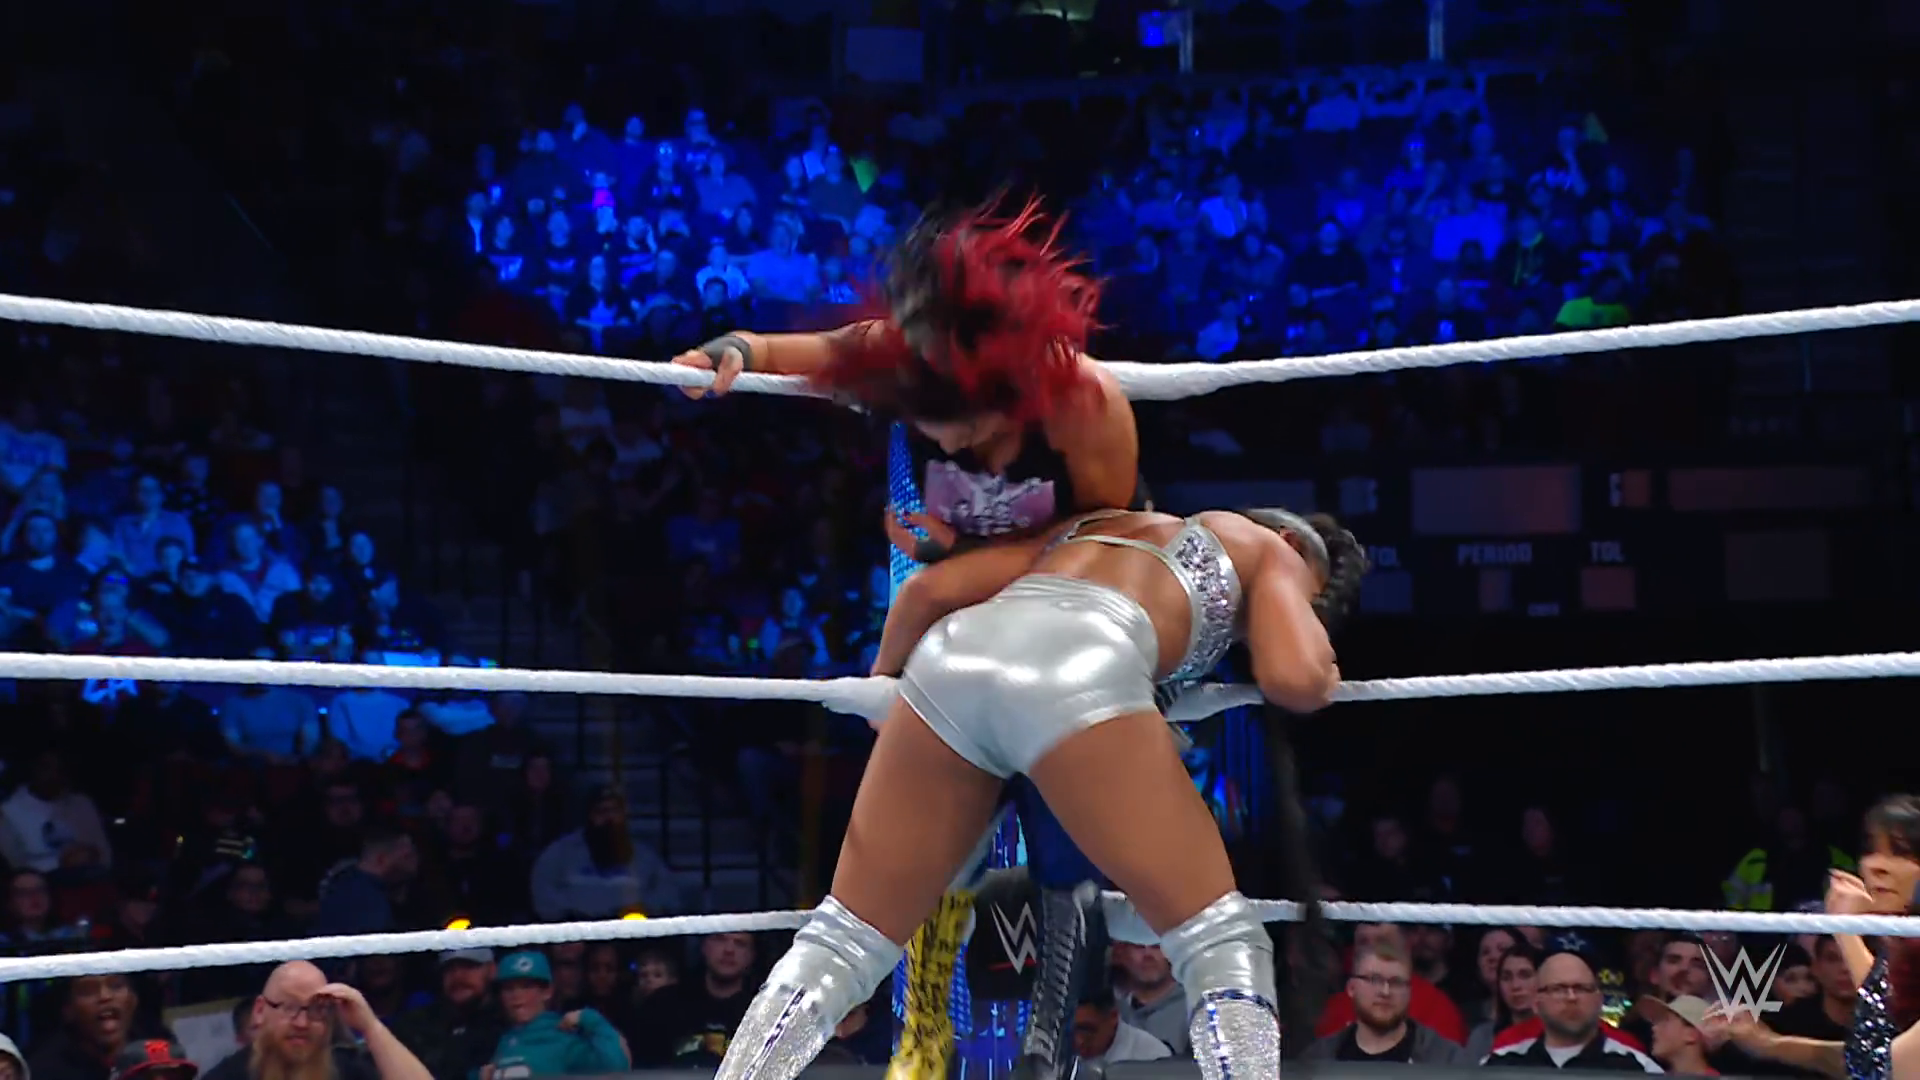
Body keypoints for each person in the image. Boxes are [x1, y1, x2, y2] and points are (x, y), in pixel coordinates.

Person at [674, 198, 1146, 1076]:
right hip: (962, 635)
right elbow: (801, 351)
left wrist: (952, 573)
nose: (944, 441)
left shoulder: (1085, 404)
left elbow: (1114, 543)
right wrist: (732, 352)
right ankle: (921, 1019)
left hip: (1075, 608)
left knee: (1053, 804)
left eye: (961, 424)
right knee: (925, 830)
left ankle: (1055, 1032)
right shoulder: (904, 360)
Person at [708, 503, 1367, 1080]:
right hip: (1080, 666)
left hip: (954, 656)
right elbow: (1295, 679)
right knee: (1221, 940)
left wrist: (889, 690)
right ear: (1291, 542)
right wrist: (1316, 647)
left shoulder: (1092, 526)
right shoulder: (1266, 548)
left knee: (842, 942)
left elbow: (928, 592)